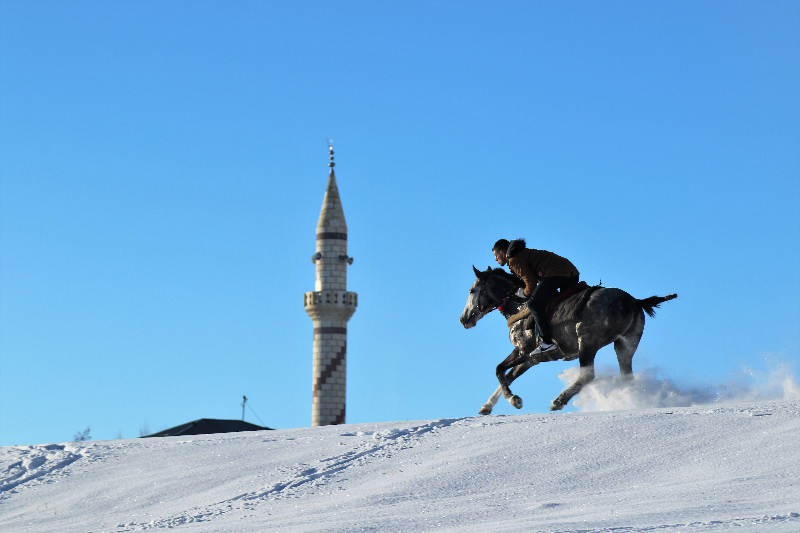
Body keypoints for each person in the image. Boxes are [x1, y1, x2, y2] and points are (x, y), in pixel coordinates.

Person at [493, 238, 580, 356]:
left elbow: (531, 284)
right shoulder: (520, 254)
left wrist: (524, 293)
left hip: (556, 274)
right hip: (571, 272)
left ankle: (547, 342)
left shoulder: (514, 259)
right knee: (562, 305)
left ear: (502, 253)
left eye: (496, 256)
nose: (495, 259)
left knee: (533, 304)